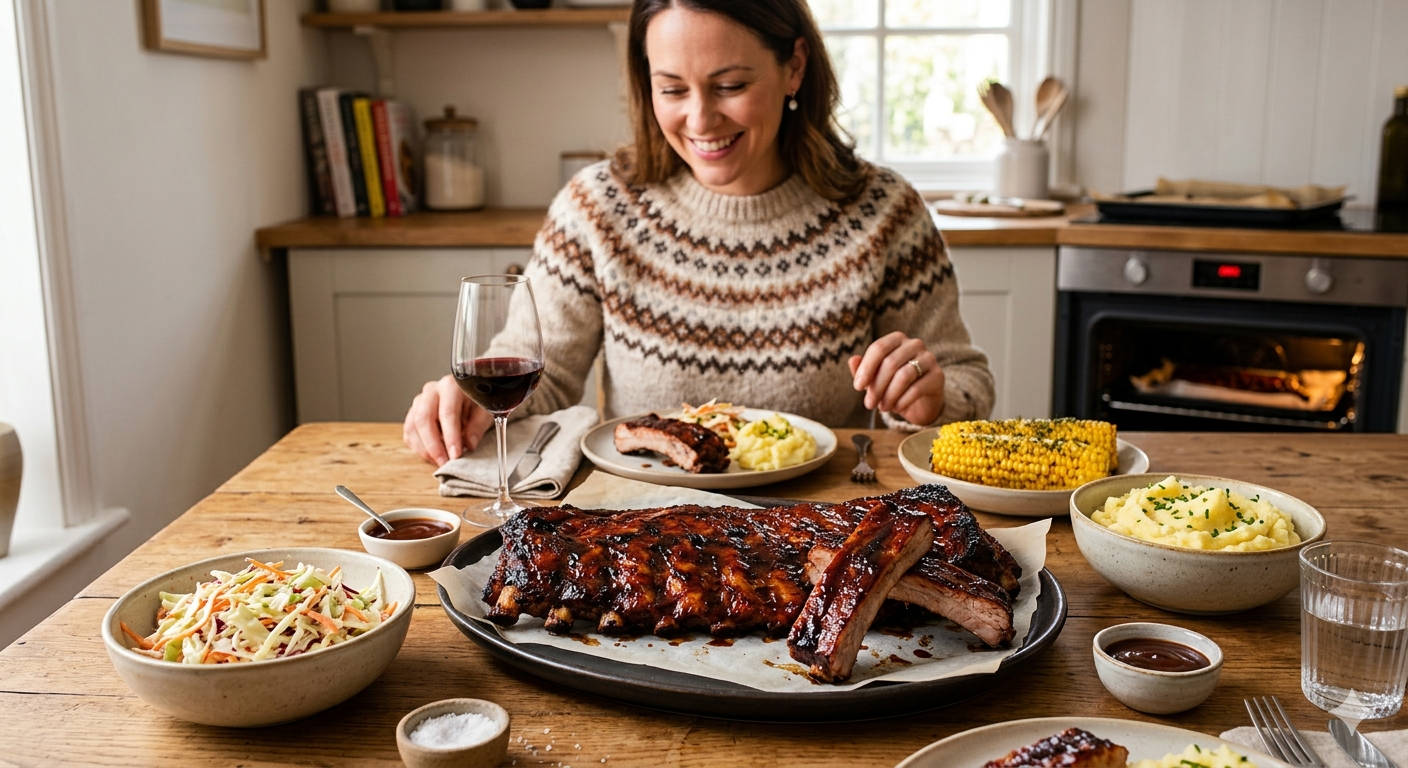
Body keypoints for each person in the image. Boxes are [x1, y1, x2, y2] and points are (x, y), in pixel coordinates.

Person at [404, 0, 994, 466]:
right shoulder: (597, 206)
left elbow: (967, 382)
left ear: (794, 66)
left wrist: (930, 397)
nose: (701, 120)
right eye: (672, 89)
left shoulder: (883, 212)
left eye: (731, 86)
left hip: (822, 526)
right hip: (646, 530)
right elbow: (543, 370)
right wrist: (469, 402)